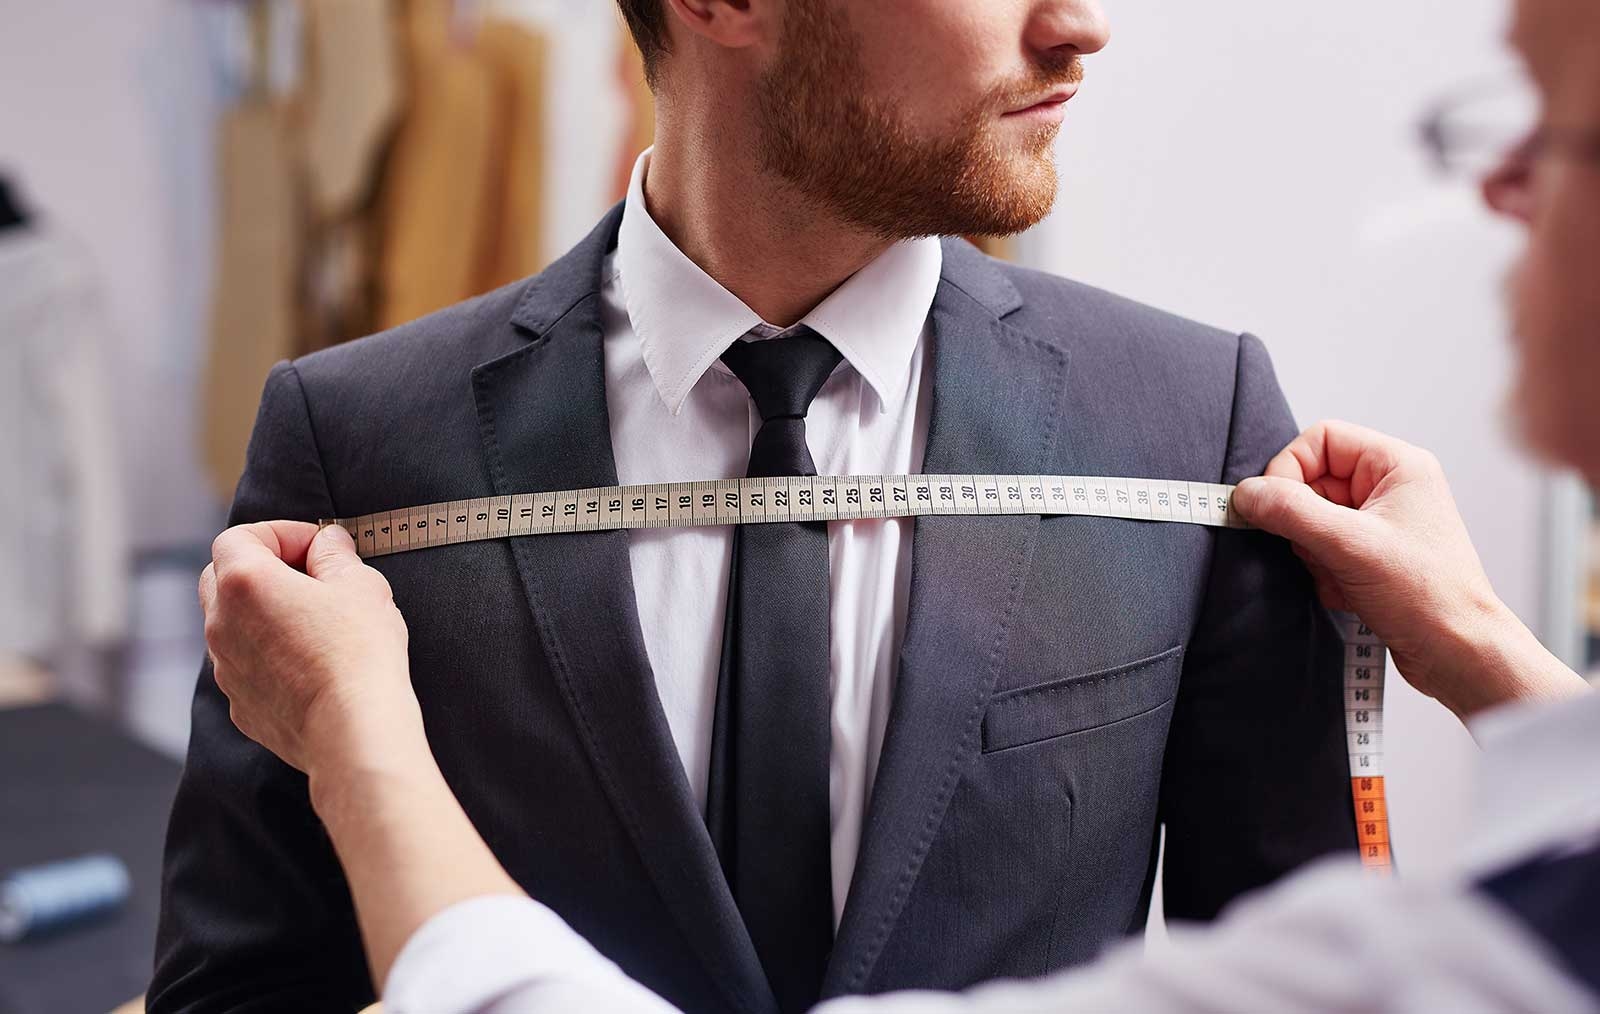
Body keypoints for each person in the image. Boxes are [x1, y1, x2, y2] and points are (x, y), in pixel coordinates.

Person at [190, 0, 1600, 1010]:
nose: (1081, 25)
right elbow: (243, 985)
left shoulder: (1189, 420)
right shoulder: (362, 437)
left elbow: (1311, 956)